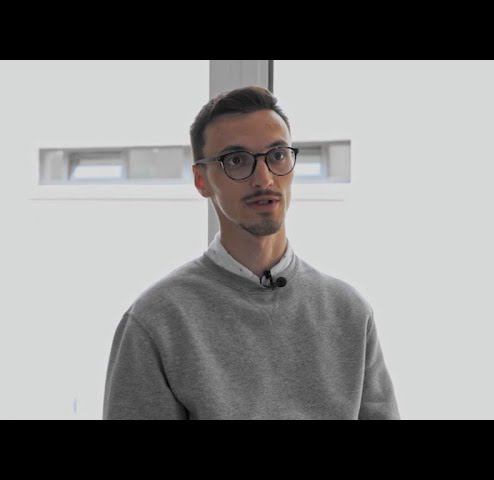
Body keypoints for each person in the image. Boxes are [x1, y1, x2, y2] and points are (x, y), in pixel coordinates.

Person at [102, 86, 400, 420]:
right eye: (236, 160)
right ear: (201, 180)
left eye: (277, 155)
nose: (264, 178)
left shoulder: (349, 312)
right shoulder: (156, 321)